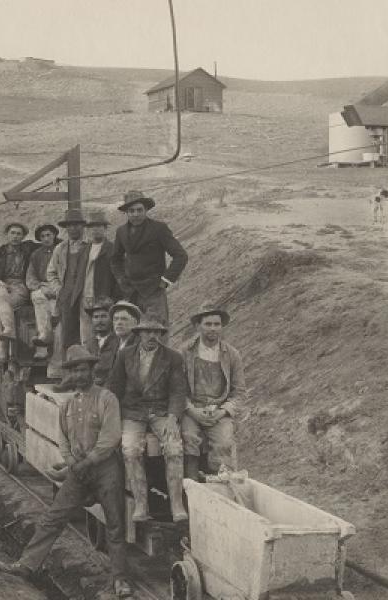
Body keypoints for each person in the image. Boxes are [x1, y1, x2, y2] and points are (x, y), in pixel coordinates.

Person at [0, 345, 132, 598]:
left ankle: (120, 580)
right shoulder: (67, 405)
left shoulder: (106, 399)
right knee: (53, 518)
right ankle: (26, 565)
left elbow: (110, 437)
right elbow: (64, 441)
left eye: (83, 369)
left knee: (114, 524)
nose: (79, 375)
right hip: (79, 470)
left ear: (92, 370)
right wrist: (71, 461)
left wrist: (86, 461)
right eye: (74, 370)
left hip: (105, 469)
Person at [107, 315, 188, 522]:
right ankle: (141, 504)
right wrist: (111, 417)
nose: (152, 336)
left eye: (157, 332)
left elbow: (178, 391)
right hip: (133, 412)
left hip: (161, 411)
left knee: (174, 448)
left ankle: (176, 505)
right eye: (148, 331)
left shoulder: (173, 357)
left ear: (161, 334)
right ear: (139, 333)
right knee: (131, 449)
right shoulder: (125, 355)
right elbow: (114, 388)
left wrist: (173, 418)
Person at [180, 303, 246, 479]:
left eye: (217, 324)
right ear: (198, 326)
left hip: (218, 410)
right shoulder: (185, 352)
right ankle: (191, 486)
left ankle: (223, 484)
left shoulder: (232, 355)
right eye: (208, 324)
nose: (213, 328)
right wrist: (192, 410)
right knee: (189, 437)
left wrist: (223, 411)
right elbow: (177, 389)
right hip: (192, 409)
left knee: (224, 441)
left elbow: (239, 392)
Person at [110, 190, 188, 328]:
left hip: (154, 292)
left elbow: (180, 255)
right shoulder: (121, 231)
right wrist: (122, 280)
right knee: (132, 334)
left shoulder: (159, 229)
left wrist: (165, 280)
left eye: (139, 210)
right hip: (131, 293)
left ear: (146, 210)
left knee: (155, 331)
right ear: (126, 213)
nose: (136, 214)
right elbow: (115, 259)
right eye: (131, 211)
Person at [0, 222, 39, 363]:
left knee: (1, 309)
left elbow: (49, 241)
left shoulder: (28, 248)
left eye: (19, 234)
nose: (15, 236)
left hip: (20, 285)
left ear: (23, 236)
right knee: (0, 292)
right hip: (3, 285)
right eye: (12, 233)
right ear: (7, 234)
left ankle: (2, 349)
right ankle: (8, 330)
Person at [46, 209, 90, 353]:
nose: (73, 228)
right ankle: (69, 367)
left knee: (86, 331)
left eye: (77, 225)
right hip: (66, 296)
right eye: (70, 225)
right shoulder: (61, 248)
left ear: (83, 227)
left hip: (85, 294)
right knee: (67, 332)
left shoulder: (90, 246)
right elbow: (51, 272)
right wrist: (59, 289)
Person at [81, 211, 119, 344]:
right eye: (92, 227)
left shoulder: (113, 249)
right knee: (86, 335)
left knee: (107, 334)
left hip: (104, 297)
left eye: (99, 226)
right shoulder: (84, 249)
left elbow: (119, 277)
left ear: (105, 228)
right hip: (85, 297)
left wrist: (112, 297)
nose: (95, 230)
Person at [25, 223, 60, 358]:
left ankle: (46, 346)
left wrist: (55, 288)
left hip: (59, 286)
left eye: (48, 235)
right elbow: (30, 277)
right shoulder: (36, 254)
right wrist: (40, 286)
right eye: (42, 236)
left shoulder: (61, 249)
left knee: (54, 308)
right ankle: (44, 336)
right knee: (37, 296)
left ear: (54, 235)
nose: (46, 238)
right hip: (43, 287)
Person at [82, 297, 114, 386]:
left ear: (112, 319)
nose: (99, 321)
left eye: (104, 316)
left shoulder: (118, 342)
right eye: (96, 317)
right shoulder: (89, 343)